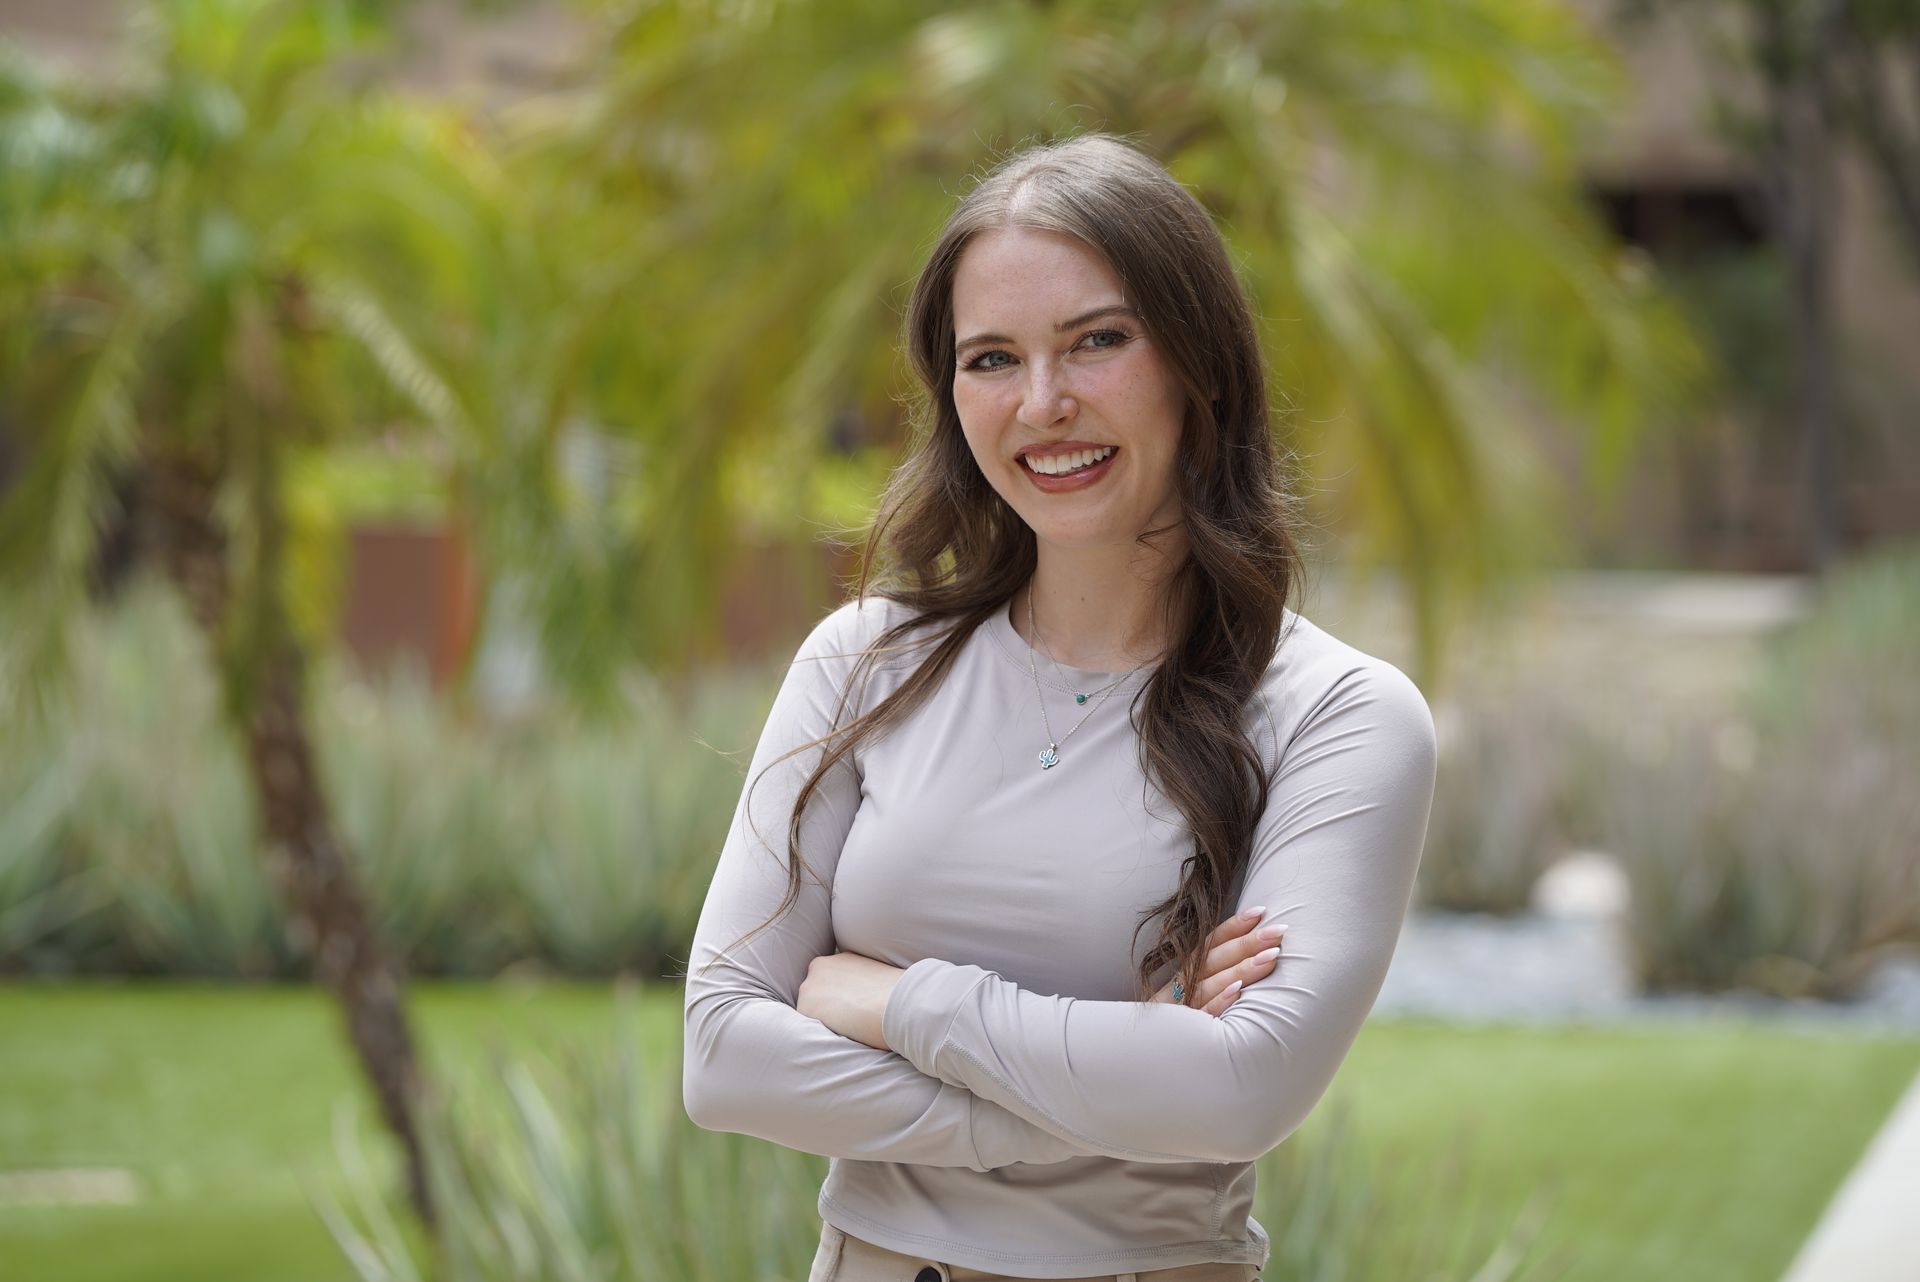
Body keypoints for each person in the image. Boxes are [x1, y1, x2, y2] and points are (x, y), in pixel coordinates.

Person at [681, 132, 1439, 1282]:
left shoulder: (1337, 715)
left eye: (1098, 341)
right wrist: (1087, 1100)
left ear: (1200, 365)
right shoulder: (864, 661)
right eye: (992, 359)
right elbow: (725, 1052)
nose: (1045, 403)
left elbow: (1238, 1091)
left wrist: (891, 1000)